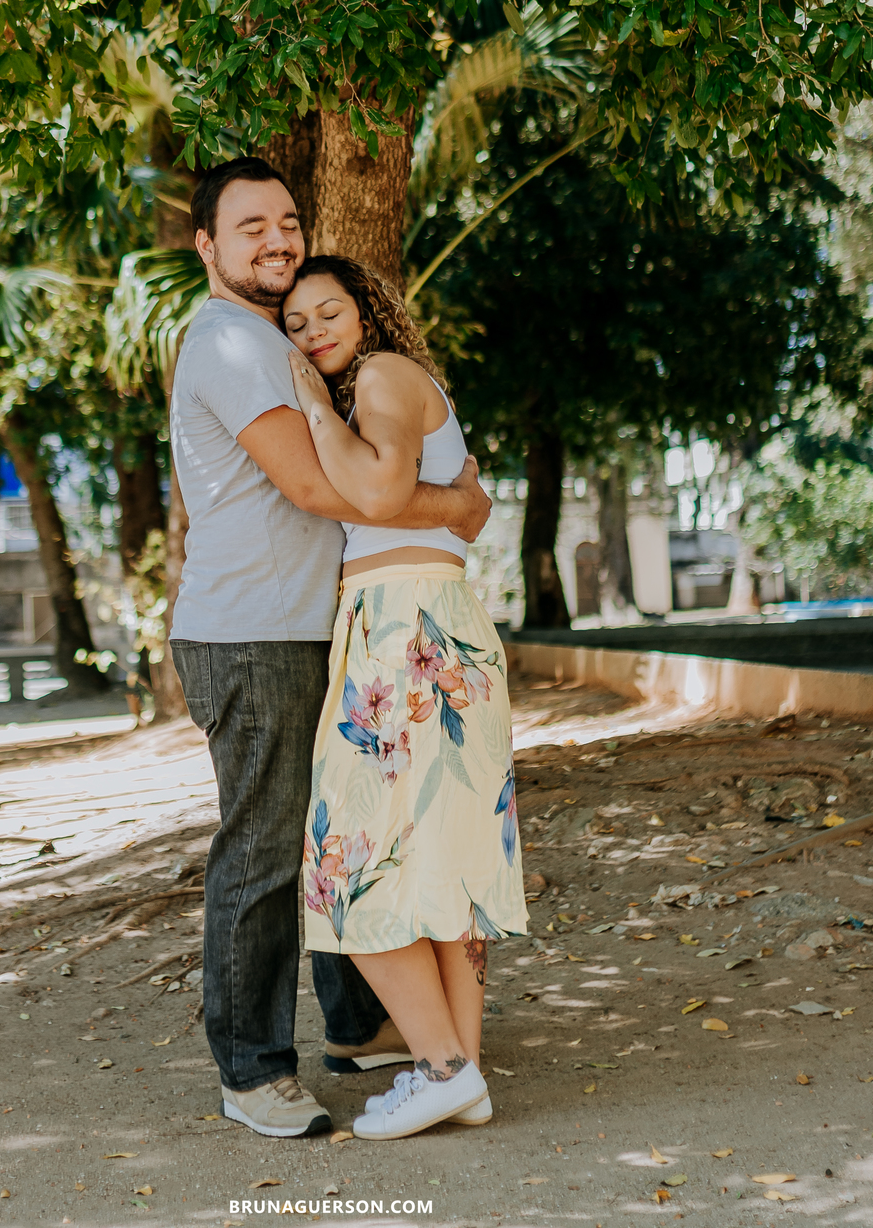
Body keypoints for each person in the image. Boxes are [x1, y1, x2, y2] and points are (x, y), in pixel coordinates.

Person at [168, 157, 493, 1140]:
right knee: (267, 854)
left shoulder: (286, 338)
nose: (276, 238)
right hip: (253, 632)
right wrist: (457, 507)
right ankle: (255, 1068)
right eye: (250, 226)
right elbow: (317, 487)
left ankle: (358, 1026)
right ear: (208, 247)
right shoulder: (228, 341)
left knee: (343, 839)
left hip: (329, 626)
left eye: (288, 220)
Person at [284, 254, 526, 1142]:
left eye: (328, 312)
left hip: (403, 629)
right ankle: (461, 1074)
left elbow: (381, 489)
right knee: (447, 870)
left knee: (343, 865)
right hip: (429, 621)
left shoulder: (381, 374)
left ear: (368, 309)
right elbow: (437, 502)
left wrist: (310, 396)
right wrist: (458, 505)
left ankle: (442, 1068)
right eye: (297, 325)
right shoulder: (389, 386)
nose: (313, 332)